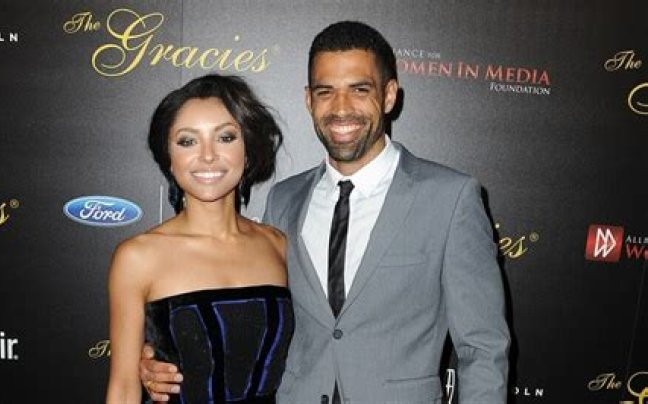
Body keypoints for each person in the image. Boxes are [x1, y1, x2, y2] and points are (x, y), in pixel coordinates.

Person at [140, 21, 510, 403]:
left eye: (359, 90)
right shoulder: (284, 200)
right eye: (325, 92)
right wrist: (163, 357)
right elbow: (249, 318)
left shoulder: (449, 198)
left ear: (388, 96)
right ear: (308, 100)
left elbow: (482, 347)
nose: (341, 108)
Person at [105, 74, 293, 404]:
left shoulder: (278, 245)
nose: (207, 155)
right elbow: (123, 389)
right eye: (188, 141)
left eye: (225, 137)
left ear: (248, 150)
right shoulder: (138, 257)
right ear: (169, 158)